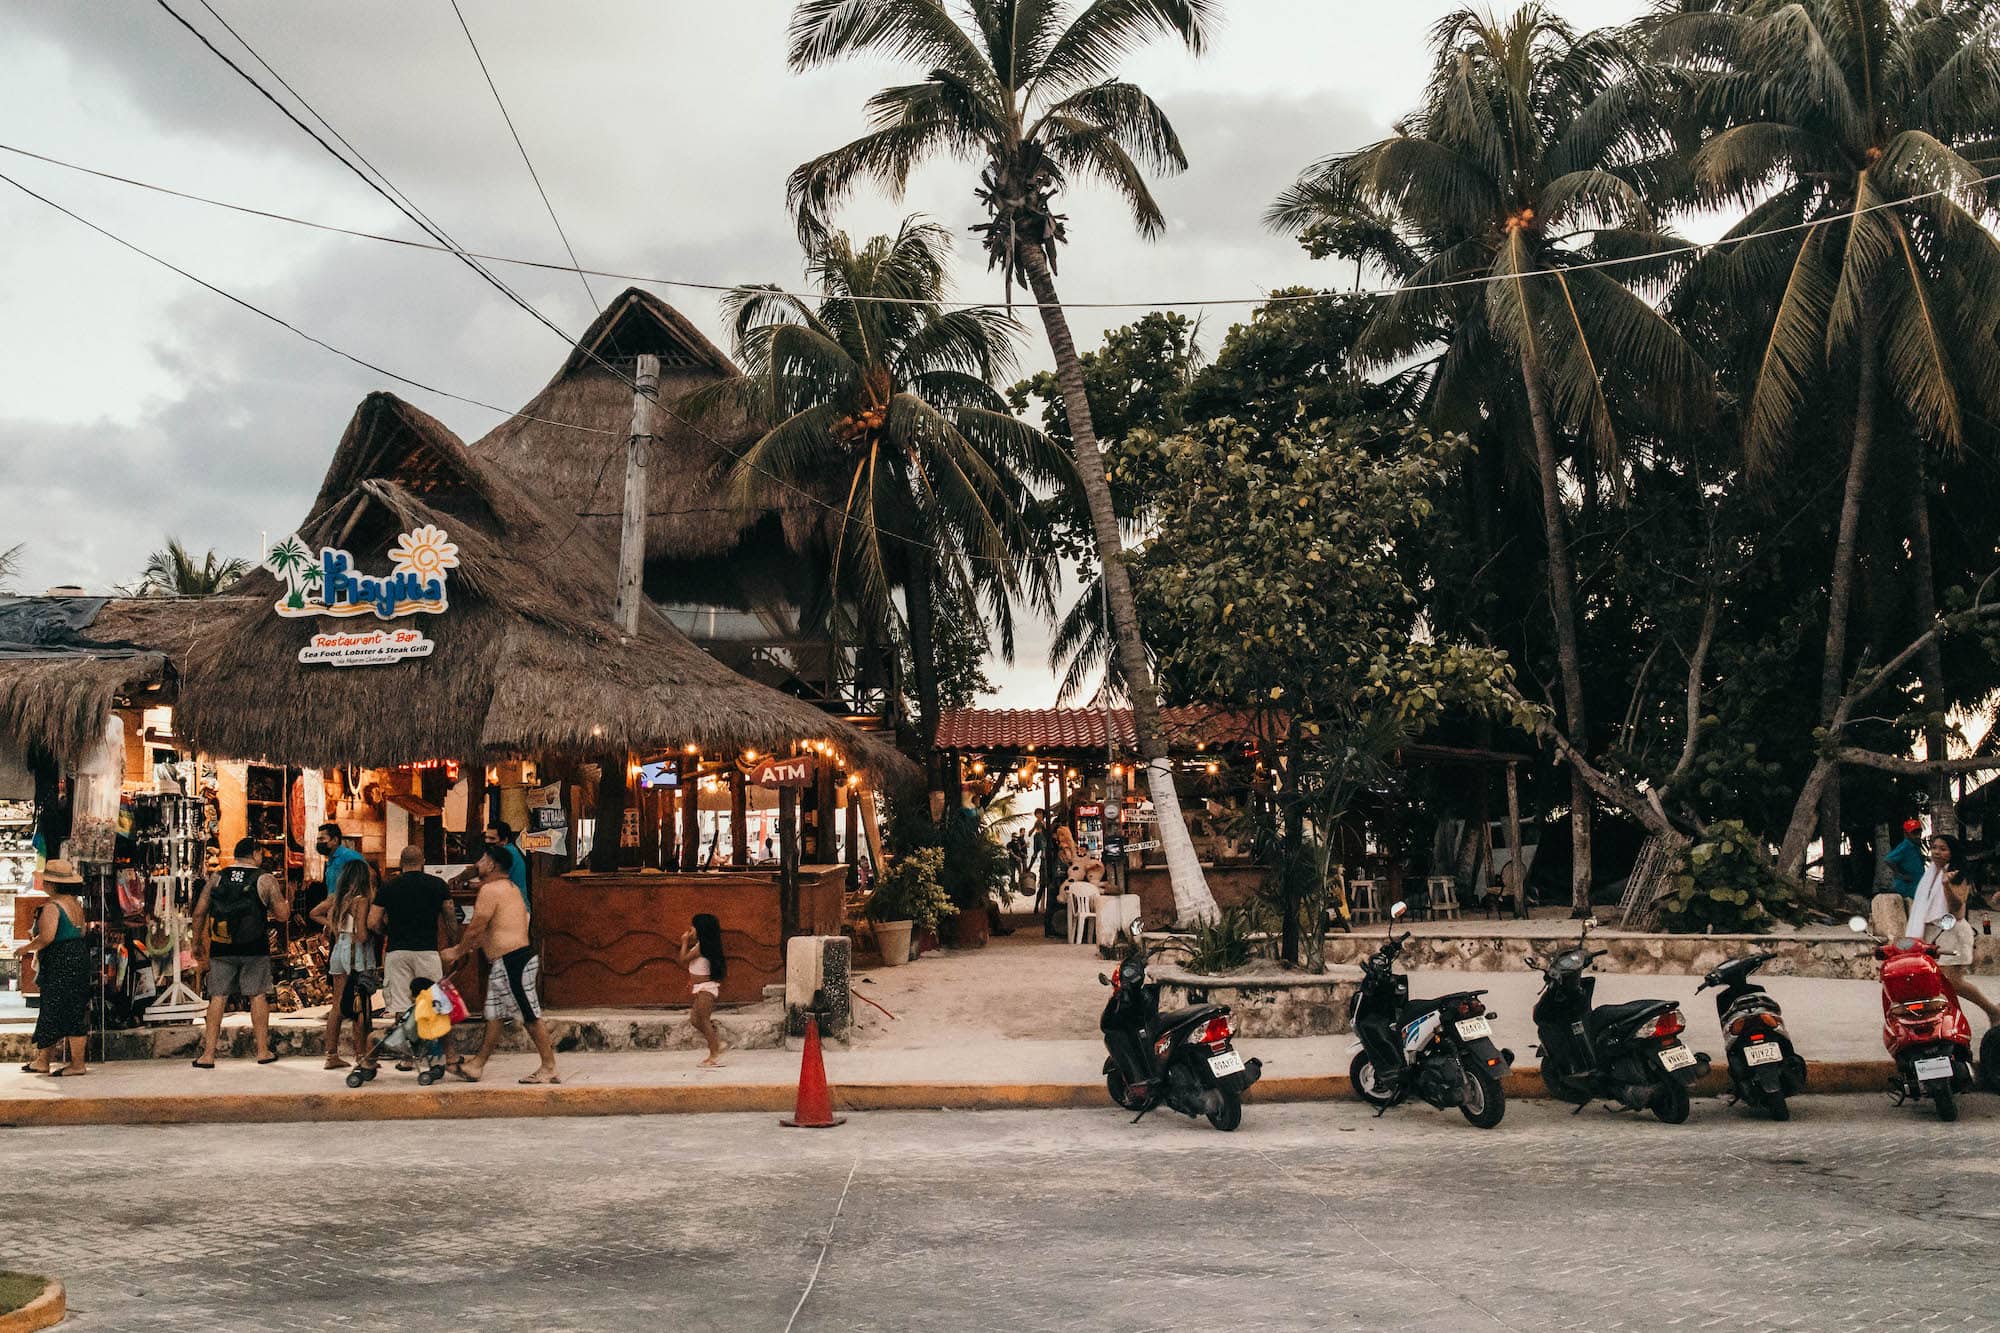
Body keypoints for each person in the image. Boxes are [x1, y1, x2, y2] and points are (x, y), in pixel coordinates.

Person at [440, 845, 558, 1084]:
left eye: (482, 859)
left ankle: (549, 1066)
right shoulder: (510, 888)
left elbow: (477, 926)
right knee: (494, 1015)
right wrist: (471, 948)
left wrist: (457, 951)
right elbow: (494, 928)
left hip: (513, 960)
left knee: (529, 1014)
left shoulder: (491, 890)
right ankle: (477, 1066)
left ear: (492, 865)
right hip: (506, 961)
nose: (478, 864)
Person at [192, 837, 292, 1067]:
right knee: (257, 995)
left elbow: (199, 912)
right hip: (254, 948)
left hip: (221, 946)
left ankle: (208, 1055)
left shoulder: (217, 877)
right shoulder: (265, 879)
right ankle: (262, 1051)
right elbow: (283, 915)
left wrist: (197, 941)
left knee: (217, 997)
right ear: (255, 853)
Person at [1903, 832, 2000, 1023]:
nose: (1937, 852)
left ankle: (1992, 1011)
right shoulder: (1929, 874)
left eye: (1943, 849)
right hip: (1931, 935)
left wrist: (1946, 885)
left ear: (1952, 853)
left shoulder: (1957, 875)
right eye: (1934, 848)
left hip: (1952, 933)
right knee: (1934, 983)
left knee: (1953, 983)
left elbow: (1957, 911)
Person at [19, 859, 90, 1076]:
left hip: (61, 961)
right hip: (77, 957)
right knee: (70, 1008)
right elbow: (82, 932)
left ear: (51, 884)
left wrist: (26, 948)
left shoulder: (52, 907)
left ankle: (76, 1064)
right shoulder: (75, 906)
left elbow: (47, 937)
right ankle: (43, 1060)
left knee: (54, 1007)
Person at [376, 846, 459, 1029]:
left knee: (400, 1006)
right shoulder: (438, 885)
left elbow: (373, 921)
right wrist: (455, 946)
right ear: (423, 862)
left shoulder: (388, 886)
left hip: (397, 951)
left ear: (401, 862)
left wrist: (387, 931)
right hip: (427, 951)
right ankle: (442, 1053)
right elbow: (450, 917)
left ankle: (406, 1051)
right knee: (435, 1004)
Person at [311, 859, 382, 1070]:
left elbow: (314, 913)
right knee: (360, 1006)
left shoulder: (337, 898)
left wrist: (334, 927)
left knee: (338, 1006)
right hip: (357, 955)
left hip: (338, 950)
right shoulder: (361, 900)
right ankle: (361, 1056)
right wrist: (373, 932)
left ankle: (331, 1055)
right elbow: (361, 934)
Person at [680, 912, 727, 1067]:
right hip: (700, 987)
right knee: (695, 1020)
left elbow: (684, 959)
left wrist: (684, 942)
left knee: (704, 1020)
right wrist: (692, 980)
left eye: (692, 927)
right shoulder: (702, 946)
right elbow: (697, 966)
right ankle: (716, 1043)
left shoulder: (702, 947)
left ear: (701, 929)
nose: (690, 930)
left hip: (706, 989)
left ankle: (714, 1054)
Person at [1874, 817, 1926, 940]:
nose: (1917, 835)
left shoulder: (1915, 846)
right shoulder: (1906, 845)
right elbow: (1889, 860)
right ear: (1906, 834)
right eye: (1914, 832)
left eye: (1918, 832)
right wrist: (1900, 874)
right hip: (1907, 887)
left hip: (1915, 886)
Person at [315, 822, 364, 920]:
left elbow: (369, 877)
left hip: (350, 913)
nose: (319, 843)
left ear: (335, 840)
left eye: (322, 839)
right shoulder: (331, 860)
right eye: (318, 840)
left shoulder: (349, 856)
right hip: (336, 912)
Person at [483, 821, 530, 907]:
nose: (487, 841)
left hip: (515, 909)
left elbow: (493, 880)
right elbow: (478, 867)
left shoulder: (507, 853)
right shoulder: (499, 852)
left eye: (492, 839)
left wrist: (467, 885)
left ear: (504, 840)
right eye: (486, 838)